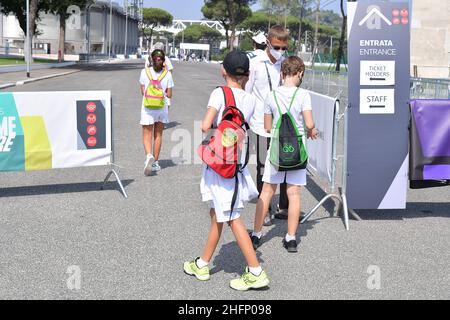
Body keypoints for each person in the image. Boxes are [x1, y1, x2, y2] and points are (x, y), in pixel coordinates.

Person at [183, 51, 270, 291]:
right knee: (217, 213)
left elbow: (204, 125)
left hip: (219, 165)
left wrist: (215, 125)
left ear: (224, 71)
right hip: (235, 163)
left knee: (231, 217)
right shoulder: (251, 100)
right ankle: (203, 263)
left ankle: (256, 271)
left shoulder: (219, 93)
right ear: (247, 75)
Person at [251, 56, 318, 252]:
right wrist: (312, 130)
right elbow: (309, 124)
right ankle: (290, 238)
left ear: (282, 74)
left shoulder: (271, 96)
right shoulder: (304, 95)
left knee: (267, 191)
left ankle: (256, 234)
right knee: (294, 193)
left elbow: (267, 126)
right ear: (300, 73)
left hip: (276, 151)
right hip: (297, 152)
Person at [245, 25, 290, 227]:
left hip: (282, 123)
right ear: (269, 43)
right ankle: (264, 210)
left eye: (284, 48)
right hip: (259, 124)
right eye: (277, 47)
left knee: (284, 163)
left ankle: (283, 206)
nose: (280, 51)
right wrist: (244, 120)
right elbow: (247, 93)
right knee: (263, 166)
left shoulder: (286, 65)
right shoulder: (255, 63)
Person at [139, 49, 174, 175]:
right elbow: (169, 95)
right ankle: (156, 163)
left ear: (151, 60)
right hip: (161, 108)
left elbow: (143, 91)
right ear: (164, 61)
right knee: (158, 135)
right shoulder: (168, 74)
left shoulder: (144, 72)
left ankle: (149, 156)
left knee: (146, 134)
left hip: (148, 108)